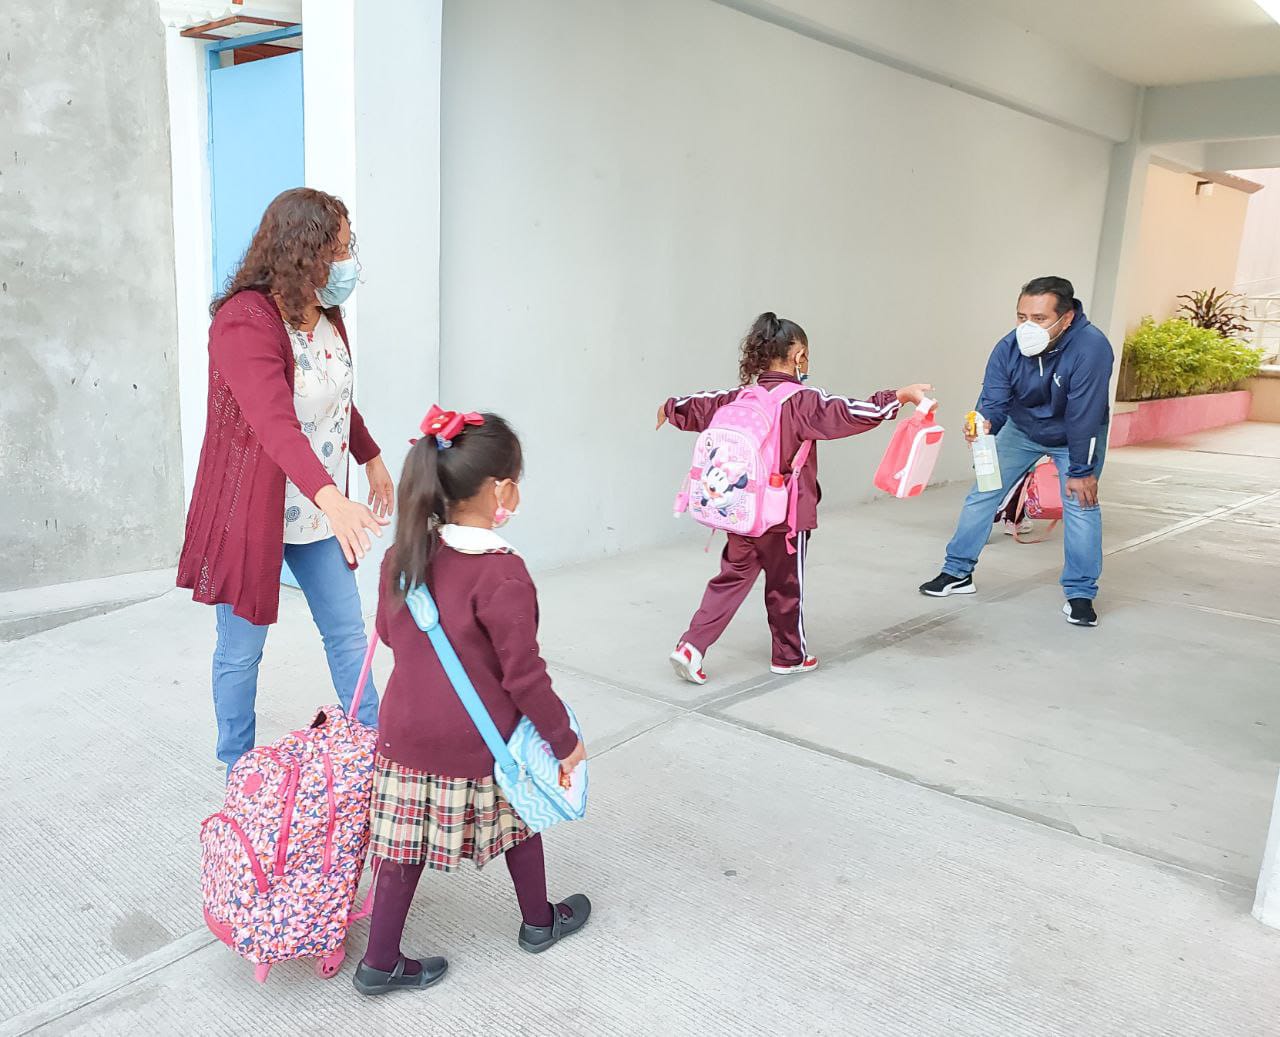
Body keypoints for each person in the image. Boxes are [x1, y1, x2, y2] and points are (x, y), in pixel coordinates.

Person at [354, 410, 590, 996]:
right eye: (515, 478)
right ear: (498, 489)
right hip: (480, 745)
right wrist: (565, 743)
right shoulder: (502, 574)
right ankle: (538, 921)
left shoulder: (402, 556)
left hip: (403, 736)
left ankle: (379, 961)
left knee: (398, 848)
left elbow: (388, 634)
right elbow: (525, 679)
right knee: (522, 818)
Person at [177, 188, 391, 773]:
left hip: (317, 509)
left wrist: (370, 457)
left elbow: (333, 396)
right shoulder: (243, 321)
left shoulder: (325, 314)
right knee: (242, 651)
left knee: (348, 634)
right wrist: (334, 498)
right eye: (339, 250)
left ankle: (371, 754)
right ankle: (237, 769)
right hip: (254, 509)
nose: (348, 263)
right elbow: (274, 420)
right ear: (305, 252)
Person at [657, 312, 932, 684]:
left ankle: (691, 646)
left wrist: (670, 408)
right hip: (784, 518)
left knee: (729, 579)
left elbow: (696, 405)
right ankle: (789, 656)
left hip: (738, 511)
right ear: (799, 355)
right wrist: (897, 397)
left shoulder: (738, 397)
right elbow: (850, 412)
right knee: (786, 588)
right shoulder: (802, 401)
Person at [919, 276, 1114, 626]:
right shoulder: (1008, 347)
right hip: (1021, 430)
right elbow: (994, 398)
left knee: (1081, 506)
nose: (1027, 327)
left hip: (1075, 435)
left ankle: (1080, 593)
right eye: (1021, 317)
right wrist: (984, 423)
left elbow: (1084, 413)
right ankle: (957, 572)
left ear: (1065, 318)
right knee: (983, 491)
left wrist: (1082, 471)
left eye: (1039, 319)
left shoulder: (1091, 347)